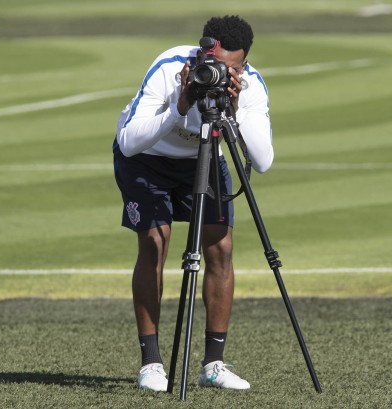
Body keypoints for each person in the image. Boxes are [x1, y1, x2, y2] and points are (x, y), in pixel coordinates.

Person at [113, 15, 273, 392]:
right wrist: (180, 105)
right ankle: (152, 364)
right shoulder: (169, 69)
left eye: (230, 68)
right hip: (147, 160)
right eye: (211, 65)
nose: (218, 73)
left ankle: (213, 364)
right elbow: (129, 142)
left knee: (221, 246)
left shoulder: (250, 86)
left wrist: (234, 109)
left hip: (203, 159)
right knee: (155, 242)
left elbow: (263, 162)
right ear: (201, 52)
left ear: (244, 65)